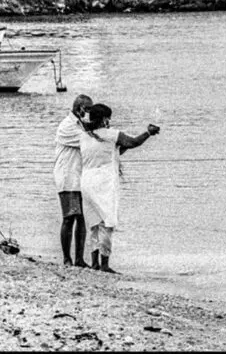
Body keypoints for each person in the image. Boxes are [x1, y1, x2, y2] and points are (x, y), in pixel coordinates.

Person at [79, 103, 161, 273]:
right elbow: (133, 142)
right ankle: (105, 264)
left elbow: (111, 151)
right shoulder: (110, 134)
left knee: (94, 223)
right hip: (104, 182)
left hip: (86, 181)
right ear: (104, 119)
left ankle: (94, 263)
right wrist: (148, 133)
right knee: (108, 222)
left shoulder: (85, 136)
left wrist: (120, 146)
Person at [54, 94, 94, 267]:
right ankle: (67, 258)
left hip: (81, 176)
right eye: (88, 110)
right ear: (79, 109)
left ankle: (79, 259)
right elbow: (88, 142)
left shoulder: (80, 125)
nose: (89, 114)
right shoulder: (67, 126)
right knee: (70, 217)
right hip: (68, 176)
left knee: (83, 218)